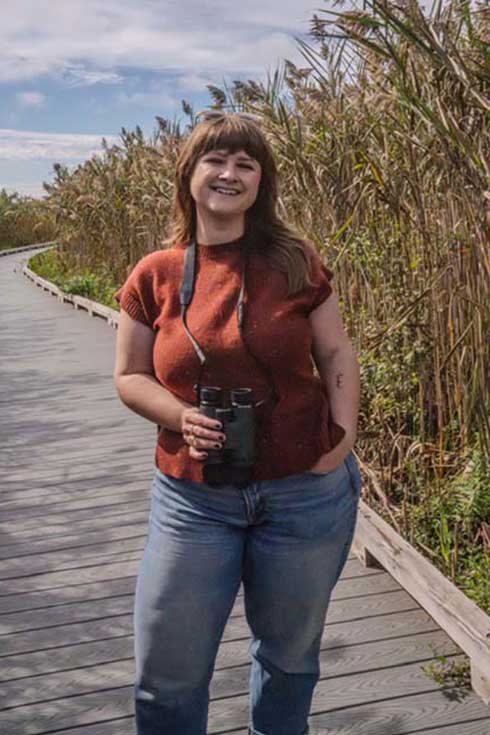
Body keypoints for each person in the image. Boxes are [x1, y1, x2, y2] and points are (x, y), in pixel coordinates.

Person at [113, 109, 362, 735]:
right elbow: (129, 376)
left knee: (289, 661)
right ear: (189, 174)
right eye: (215, 160)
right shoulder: (155, 274)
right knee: (166, 674)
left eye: (245, 164)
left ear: (261, 182)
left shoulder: (296, 261)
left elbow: (335, 352)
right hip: (193, 500)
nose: (229, 173)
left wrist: (341, 439)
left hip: (305, 495)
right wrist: (180, 415)